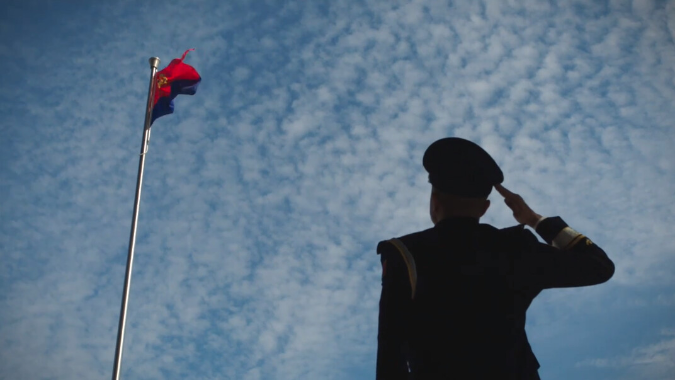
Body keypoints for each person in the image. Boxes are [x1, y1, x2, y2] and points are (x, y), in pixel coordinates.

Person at [376, 137, 615, 379]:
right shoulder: (517, 249)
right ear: (485, 208)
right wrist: (534, 220)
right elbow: (598, 267)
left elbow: (390, 354)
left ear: (434, 201)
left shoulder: (405, 253)